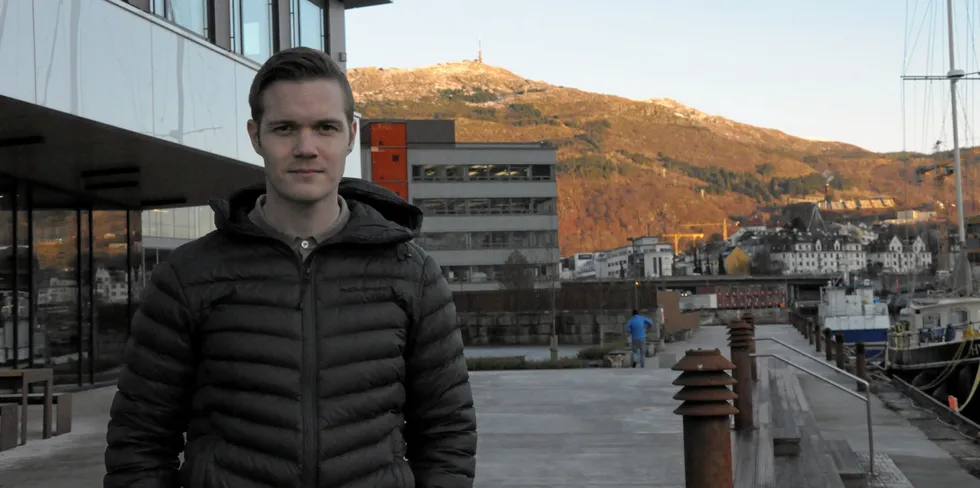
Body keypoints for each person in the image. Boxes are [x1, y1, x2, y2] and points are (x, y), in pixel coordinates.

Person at [104, 47, 477, 488]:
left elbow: (447, 434)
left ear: (351, 135)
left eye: (325, 128)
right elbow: (140, 441)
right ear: (255, 135)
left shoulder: (411, 274)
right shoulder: (189, 276)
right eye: (285, 128)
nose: (305, 148)